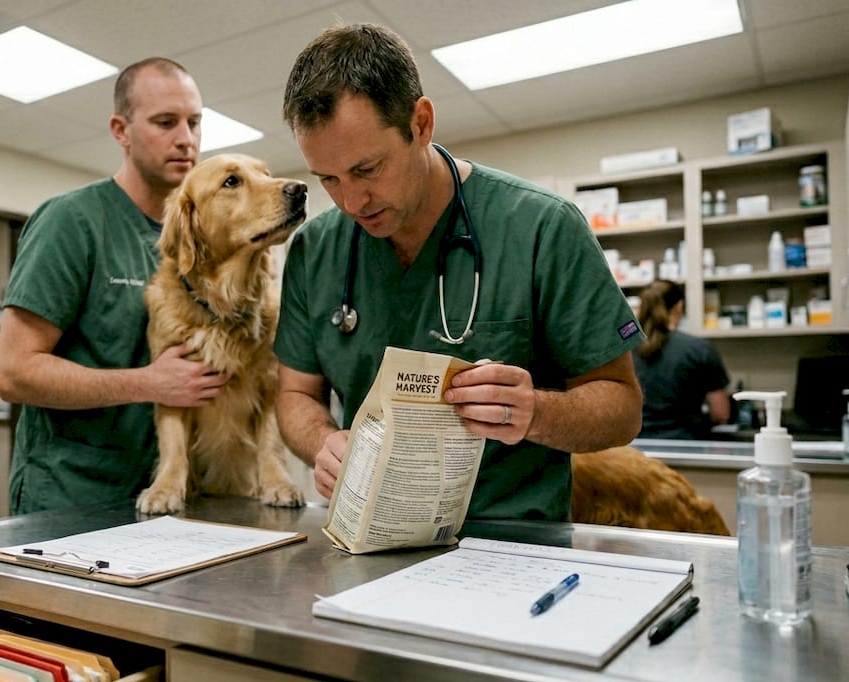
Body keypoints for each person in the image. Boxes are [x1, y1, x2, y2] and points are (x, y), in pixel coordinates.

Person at [274, 23, 644, 521]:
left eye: (367, 170)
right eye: (329, 180)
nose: (351, 201)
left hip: (513, 546)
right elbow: (296, 394)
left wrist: (536, 410)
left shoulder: (541, 229)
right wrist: (323, 442)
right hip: (372, 540)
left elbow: (622, 407)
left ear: (420, 124)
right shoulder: (316, 250)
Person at [0, 58, 227, 514]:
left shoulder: (193, 238)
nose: (187, 139)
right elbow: (14, 373)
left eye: (194, 123)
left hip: (165, 496)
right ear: (121, 130)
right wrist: (148, 383)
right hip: (71, 495)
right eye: (166, 122)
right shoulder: (72, 222)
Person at [633, 280, 730, 439]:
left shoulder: (625, 351)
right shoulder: (699, 349)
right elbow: (721, 413)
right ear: (679, 307)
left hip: (636, 451)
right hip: (685, 447)